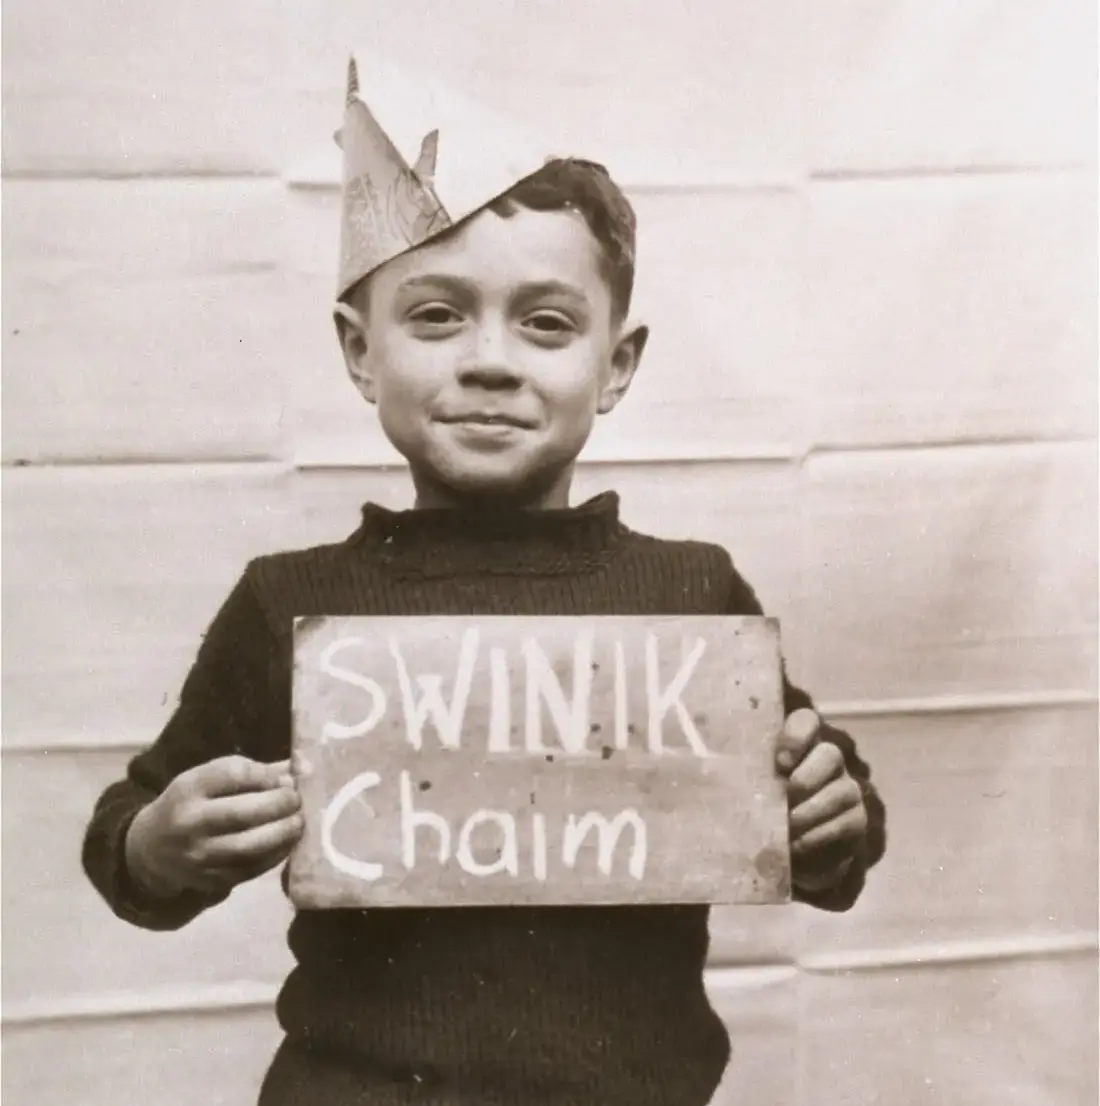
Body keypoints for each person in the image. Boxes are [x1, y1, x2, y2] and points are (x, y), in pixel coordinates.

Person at [82, 50, 886, 1106]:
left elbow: (823, 832)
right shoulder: (287, 601)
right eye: (436, 315)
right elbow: (132, 842)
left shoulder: (691, 595)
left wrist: (831, 814)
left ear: (617, 364)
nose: (490, 360)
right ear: (358, 350)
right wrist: (159, 841)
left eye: (545, 322)